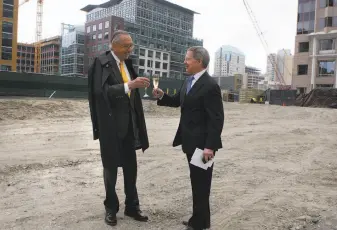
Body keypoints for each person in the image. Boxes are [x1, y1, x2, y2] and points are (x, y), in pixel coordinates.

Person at [153, 46, 224, 230]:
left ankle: (199, 224)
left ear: (199, 61)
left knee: (202, 184)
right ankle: (199, 220)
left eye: (188, 59)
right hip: (189, 142)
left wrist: (210, 147)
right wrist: (162, 95)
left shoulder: (210, 86)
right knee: (196, 182)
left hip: (203, 145)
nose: (184, 62)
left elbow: (216, 119)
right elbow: (177, 101)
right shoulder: (188, 81)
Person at [88, 30, 150, 226]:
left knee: (131, 168)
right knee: (111, 169)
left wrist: (135, 85)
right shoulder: (101, 62)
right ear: (114, 46)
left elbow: (131, 94)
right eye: (126, 46)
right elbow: (101, 92)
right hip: (111, 127)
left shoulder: (127, 64)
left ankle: (132, 206)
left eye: (131, 45)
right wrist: (128, 86)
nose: (130, 49)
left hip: (130, 127)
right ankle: (111, 208)